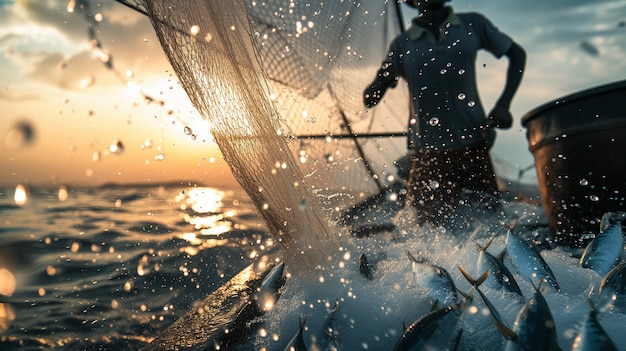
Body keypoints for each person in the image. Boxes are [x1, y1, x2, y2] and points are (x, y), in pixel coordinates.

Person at [364, 0, 526, 225]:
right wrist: (381, 81)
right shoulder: (402, 44)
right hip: (428, 154)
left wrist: (503, 105)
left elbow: (517, 54)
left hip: (473, 146)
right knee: (422, 234)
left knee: (488, 227)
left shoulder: (472, 24)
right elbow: (369, 99)